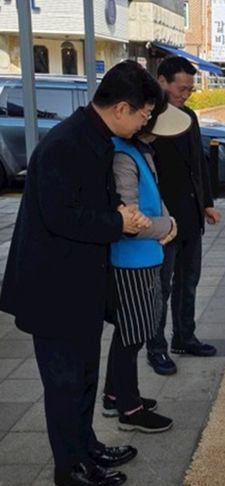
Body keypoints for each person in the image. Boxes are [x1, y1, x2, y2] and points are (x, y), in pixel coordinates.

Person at [0, 60, 158, 486]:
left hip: (81, 286)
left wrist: (118, 212)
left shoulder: (96, 138)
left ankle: (87, 448)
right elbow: (61, 217)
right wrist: (118, 221)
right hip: (54, 290)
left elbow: (90, 202)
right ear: (122, 108)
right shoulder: (66, 144)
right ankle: (70, 469)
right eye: (144, 114)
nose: (145, 122)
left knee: (85, 377)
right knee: (65, 384)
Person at [102, 93, 192, 433]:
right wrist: (166, 227)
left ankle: (115, 396)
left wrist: (168, 222)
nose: (152, 130)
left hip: (145, 256)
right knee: (133, 335)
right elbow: (130, 219)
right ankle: (130, 408)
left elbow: (154, 198)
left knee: (130, 332)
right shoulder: (123, 155)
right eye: (149, 120)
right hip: (130, 260)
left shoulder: (139, 151)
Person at [146, 56, 222, 375]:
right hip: (162, 222)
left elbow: (198, 164)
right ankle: (156, 347)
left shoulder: (188, 116)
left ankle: (184, 336)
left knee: (188, 281)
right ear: (162, 82)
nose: (186, 95)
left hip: (191, 217)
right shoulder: (147, 120)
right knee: (161, 288)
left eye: (190, 90)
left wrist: (207, 203)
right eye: (181, 88)